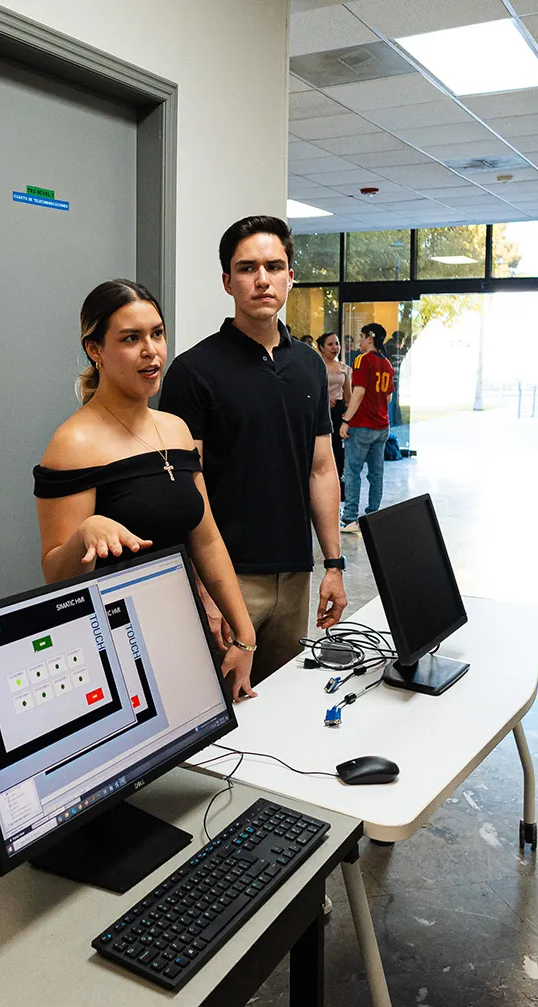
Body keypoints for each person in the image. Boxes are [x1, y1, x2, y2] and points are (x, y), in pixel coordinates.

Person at [34, 280, 259, 700]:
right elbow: (55, 576)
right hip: (113, 643)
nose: (150, 350)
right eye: (130, 338)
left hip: (182, 627)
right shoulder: (74, 444)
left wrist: (244, 633)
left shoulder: (176, 429)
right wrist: (86, 533)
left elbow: (207, 540)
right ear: (95, 349)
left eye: (157, 334)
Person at [160, 216, 347, 685]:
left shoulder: (308, 365)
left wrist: (333, 564)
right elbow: (187, 488)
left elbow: (321, 469)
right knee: (223, 714)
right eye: (246, 268)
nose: (262, 279)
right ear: (227, 281)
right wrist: (202, 588)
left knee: (278, 707)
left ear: (290, 277)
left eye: (273, 266)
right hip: (229, 579)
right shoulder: (194, 371)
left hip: (295, 575)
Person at [339, 322, 396, 531]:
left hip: (363, 425)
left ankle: (350, 519)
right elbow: (388, 397)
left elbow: (359, 392)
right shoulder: (387, 364)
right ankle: (374, 514)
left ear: (369, 339)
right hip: (382, 427)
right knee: (376, 472)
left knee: (353, 471)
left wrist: (346, 420)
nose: (360, 341)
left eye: (361, 337)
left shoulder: (363, 360)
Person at [318, 332, 348, 484]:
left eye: (337, 343)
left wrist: (348, 418)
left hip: (338, 410)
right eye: (330, 344)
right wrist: (324, 399)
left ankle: (337, 480)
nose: (335, 347)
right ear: (322, 347)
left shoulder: (344, 368)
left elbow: (348, 395)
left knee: (337, 446)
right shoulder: (315, 365)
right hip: (319, 409)